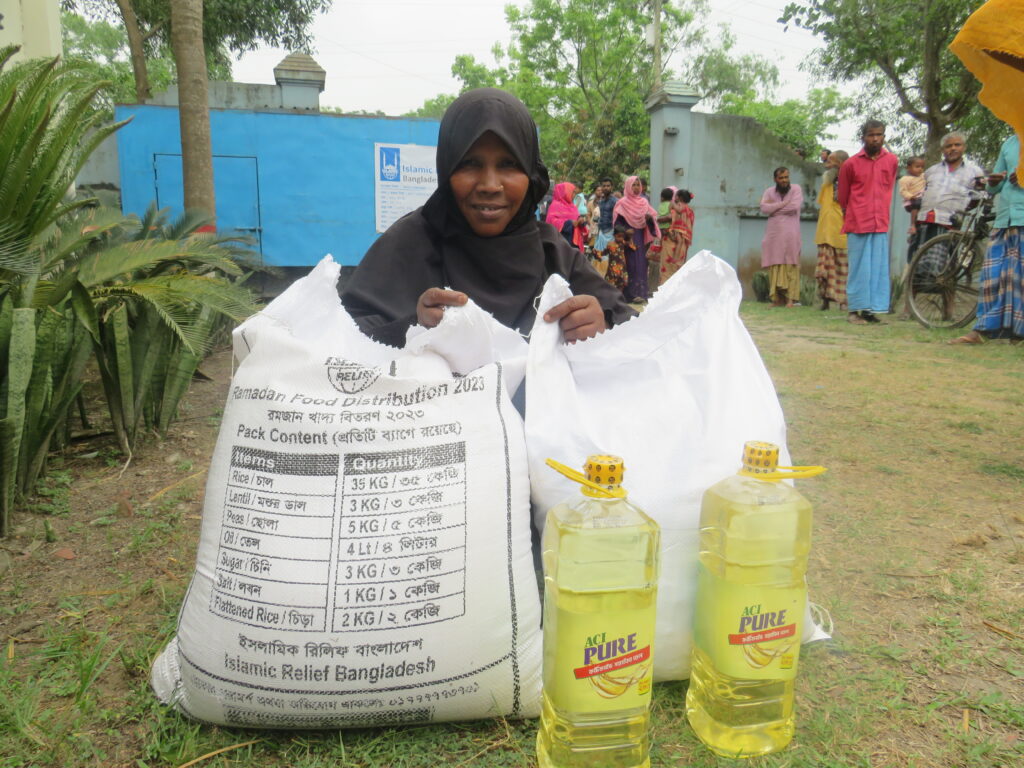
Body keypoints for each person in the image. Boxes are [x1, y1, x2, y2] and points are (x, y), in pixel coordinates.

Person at [340, 89, 634, 345]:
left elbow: (633, 328)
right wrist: (412, 327)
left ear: (530, 174)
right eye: (469, 163)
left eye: (508, 164)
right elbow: (342, 334)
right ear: (446, 169)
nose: (490, 185)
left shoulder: (552, 253)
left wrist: (602, 324)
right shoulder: (410, 243)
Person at [949, 131, 1024, 344]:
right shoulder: (1009, 143)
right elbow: (995, 185)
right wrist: (994, 180)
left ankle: (1018, 333)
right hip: (1004, 219)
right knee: (992, 277)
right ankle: (983, 329)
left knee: (1020, 280)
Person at [838, 119, 900, 325]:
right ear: (863, 137)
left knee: (877, 269)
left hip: (880, 222)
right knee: (859, 269)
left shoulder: (891, 161)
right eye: (871, 135)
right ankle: (853, 311)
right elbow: (843, 197)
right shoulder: (850, 164)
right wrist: (853, 213)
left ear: (884, 136)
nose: (875, 139)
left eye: (879, 135)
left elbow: (889, 187)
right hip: (858, 223)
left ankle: (870, 311)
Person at [760, 167, 804, 308]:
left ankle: (790, 300)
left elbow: (794, 207)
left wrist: (774, 209)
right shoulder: (769, 192)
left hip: (791, 234)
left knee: (791, 264)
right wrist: (783, 204)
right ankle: (777, 299)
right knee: (775, 265)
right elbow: (764, 208)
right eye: (781, 178)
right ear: (775, 179)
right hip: (774, 235)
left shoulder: (796, 189)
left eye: (786, 177)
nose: (784, 180)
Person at [612, 176, 660, 303]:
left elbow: (652, 220)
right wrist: (624, 231)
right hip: (627, 241)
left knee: (641, 266)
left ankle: (640, 293)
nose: (636, 187)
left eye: (638, 185)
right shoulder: (622, 203)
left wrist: (649, 219)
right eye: (633, 185)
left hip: (640, 239)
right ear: (628, 186)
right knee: (629, 266)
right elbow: (616, 224)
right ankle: (628, 295)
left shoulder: (644, 202)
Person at [814, 151, 849, 311]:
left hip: (841, 232)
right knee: (823, 271)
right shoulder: (827, 182)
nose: (827, 165)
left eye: (830, 161)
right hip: (824, 231)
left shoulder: (850, 182)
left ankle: (843, 302)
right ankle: (825, 301)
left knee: (842, 269)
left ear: (841, 163)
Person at [659, 188, 695, 285]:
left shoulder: (676, 207)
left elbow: (666, 219)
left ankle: (665, 291)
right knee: (677, 271)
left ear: (679, 197)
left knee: (667, 271)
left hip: (670, 239)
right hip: (682, 244)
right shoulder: (690, 211)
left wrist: (659, 219)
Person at [545, 181, 588, 252]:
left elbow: (577, 218)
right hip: (561, 241)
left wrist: (580, 221)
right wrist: (570, 223)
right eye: (573, 192)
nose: (574, 195)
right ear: (565, 192)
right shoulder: (555, 206)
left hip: (573, 242)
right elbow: (551, 222)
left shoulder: (572, 206)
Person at [898, 156, 926, 239]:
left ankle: (917, 231)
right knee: (917, 203)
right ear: (908, 168)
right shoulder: (905, 179)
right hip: (911, 201)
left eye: (922, 167)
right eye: (917, 167)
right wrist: (911, 196)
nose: (920, 169)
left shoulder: (923, 176)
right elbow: (903, 191)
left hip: (921, 198)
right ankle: (912, 225)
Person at [594, 177, 618, 254]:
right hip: (601, 231)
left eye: (608, 186)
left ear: (612, 187)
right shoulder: (601, 201)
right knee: (598, 257)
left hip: (611, 232)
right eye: (604, 186)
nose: (606, 188)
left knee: (609, 257)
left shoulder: (615, 201)